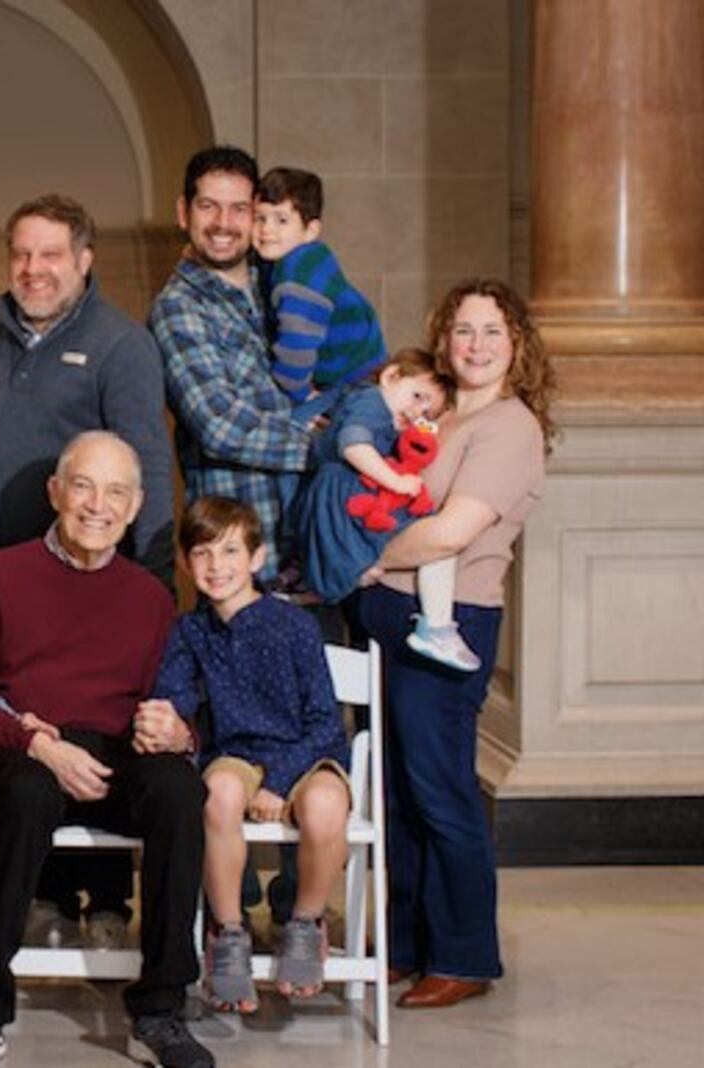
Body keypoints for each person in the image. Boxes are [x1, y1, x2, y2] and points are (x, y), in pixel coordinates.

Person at [0, 432, 212, 1068]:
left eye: (116, 491)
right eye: (83, 486)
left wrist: (179, 733)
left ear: (136, 506)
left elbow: (176, 702)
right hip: (19, 749)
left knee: (178, 789)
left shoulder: (150, 597)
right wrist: (33, 742)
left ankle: (161, 1009)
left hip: (113, 755)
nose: (98, 505)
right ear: (55, 492)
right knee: (28, 791)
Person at [0, 193, 176, 950]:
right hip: (10, 580)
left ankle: (108, 900)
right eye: (23, 254)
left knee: (97, 727)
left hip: (97, 575)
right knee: (29, 735)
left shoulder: (121, 345)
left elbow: (144, 461)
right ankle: (43, 897)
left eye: (51, 254)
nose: (34, 269)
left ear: (84, 261)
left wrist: (149, 575)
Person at [352, 278, 556, 1010]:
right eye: (463, 330)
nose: (475, 345)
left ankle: (465, 953)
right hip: (388, 616)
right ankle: (405, 944)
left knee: (440, 790)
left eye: (492, 332)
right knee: (397, 794)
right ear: (442, 339)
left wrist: (367, 560)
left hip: (450, 624)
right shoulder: (432, 415)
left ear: (518, 346)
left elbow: (453, 530)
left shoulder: (509, 426)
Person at [145, 496, 350, 1014]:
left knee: (326, 808)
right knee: (216, 793)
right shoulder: (190, 633)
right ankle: (229, 931)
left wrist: (279, 781)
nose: (217, 566)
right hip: (234, 754)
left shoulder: (295, 627)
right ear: (188, 563)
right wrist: (167, 722)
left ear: (257, 559)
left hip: (306, 753)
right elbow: (178, 698)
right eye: (203, 554)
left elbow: (325, 720)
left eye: (231, 551)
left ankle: (305, 924)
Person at [149, 146, 312, 581]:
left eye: (239, 208)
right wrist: (330, 446)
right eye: (209, 207)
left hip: (315, 550)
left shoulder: (282, 279)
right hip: (244, 566)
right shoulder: (178, 307)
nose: (223, 223)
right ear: (184, 212)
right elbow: (220, 426)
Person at [293, 349, 480, 670]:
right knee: (435, 543)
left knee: (365, 563)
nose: (417, 411)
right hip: (346, 497)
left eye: (427, 411)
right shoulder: (371, 402)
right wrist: (395, 481)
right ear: (390, 376)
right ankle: (436, 627)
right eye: (417, 395)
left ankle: (328, 582)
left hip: (346, 497)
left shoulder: (376, 407)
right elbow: (353, 444)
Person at [253, 166, 387, 421]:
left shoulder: (298, 279)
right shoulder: (303, 257)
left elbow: (295, 353)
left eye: (281, 220)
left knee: (302, 428)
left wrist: (301, 395)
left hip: (355, 382)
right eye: (260, 218)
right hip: (358, 368)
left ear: (311, 230)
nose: (266, 229)